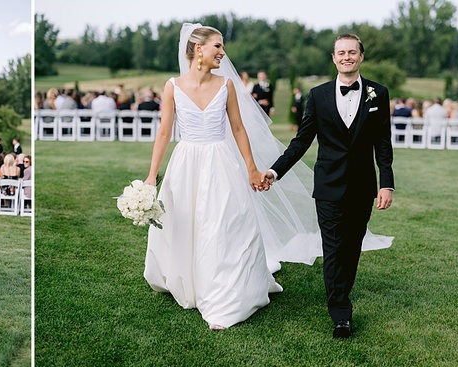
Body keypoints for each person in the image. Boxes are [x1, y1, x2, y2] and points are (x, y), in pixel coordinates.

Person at [144, 24, 283, 330]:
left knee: (224, 224)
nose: (223, 53)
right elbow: (165, 132)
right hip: (187, 163)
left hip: (221, 162)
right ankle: (191, 278)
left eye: (222, 47)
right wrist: (152, 176)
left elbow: (237, 128)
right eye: (217, 46)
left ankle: (224, 295)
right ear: (198, 50)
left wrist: (251, 168)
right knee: (189, 224)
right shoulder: (172, 86)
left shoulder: (226, 85)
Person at [264, 33, 395, 338]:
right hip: (328, 186)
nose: (346, 56)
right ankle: (340, 312)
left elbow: (383, 142)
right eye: (341, 52)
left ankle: (341, 294)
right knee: (334, 248)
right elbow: (301, 142)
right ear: (334, 59)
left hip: (363, 186)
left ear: (361, 56)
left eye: (352, 52)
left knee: (351, 248)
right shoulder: (318, 96)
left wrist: (386, 183)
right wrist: (275, 171)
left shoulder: (379, 93)